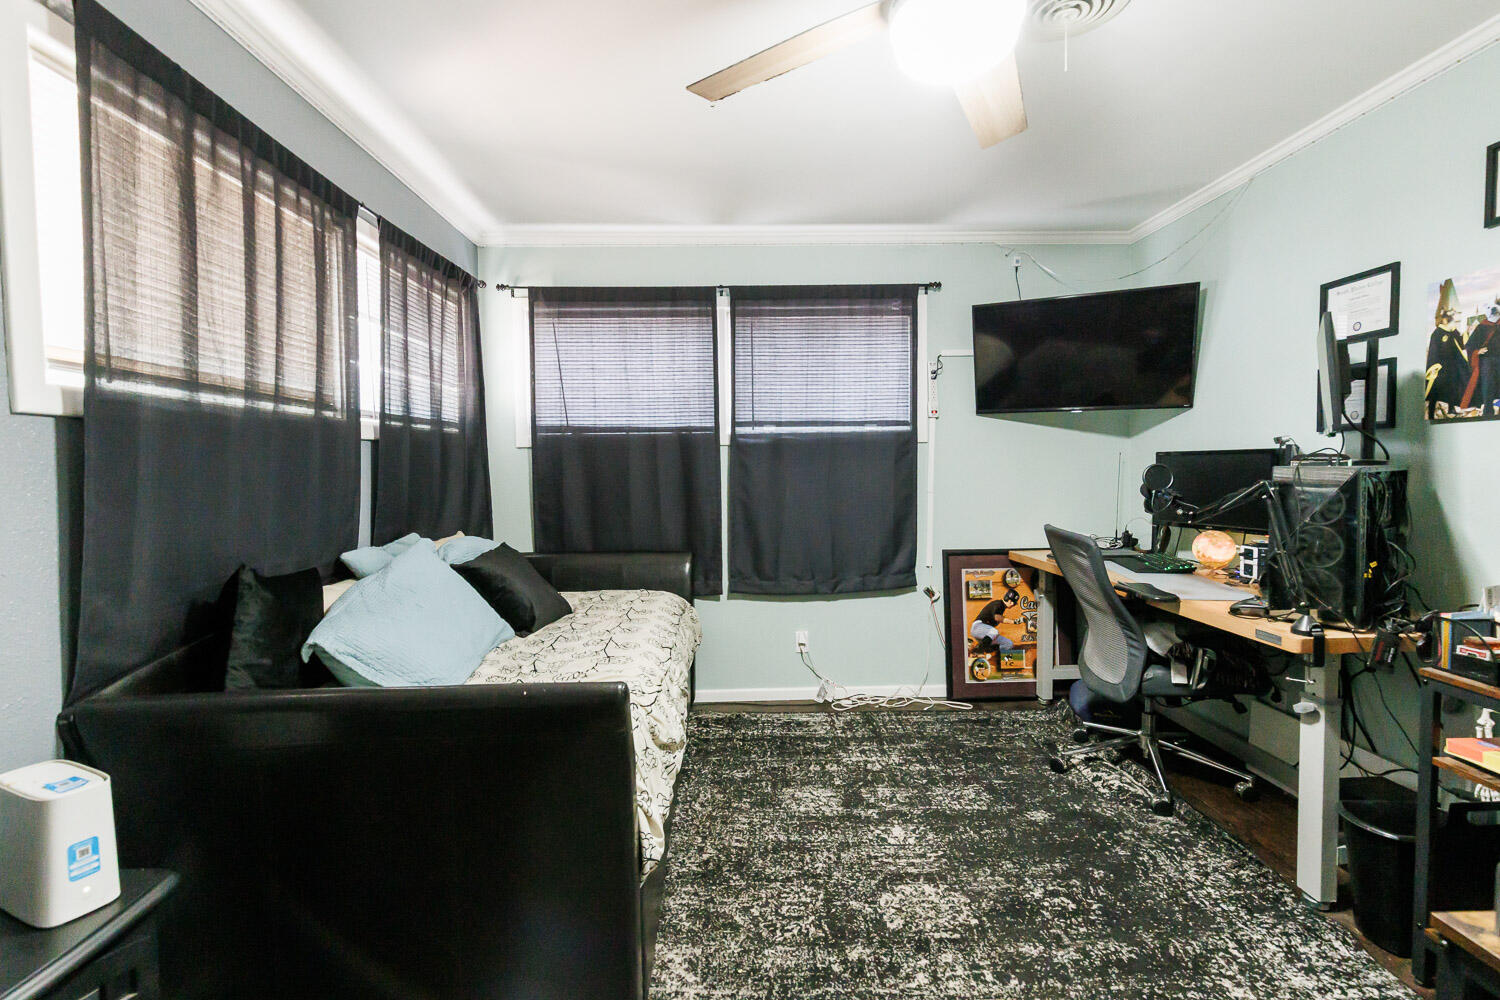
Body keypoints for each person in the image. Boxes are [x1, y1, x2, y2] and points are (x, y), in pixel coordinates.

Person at [1426, 279, 1474, 419]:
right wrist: (1434, 366)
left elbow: (1462, 344)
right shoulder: (1437, 333)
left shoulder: (1453, 332)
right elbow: (1434, 350)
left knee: (1453, 387)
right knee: (1436, 390)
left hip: (1453, 367)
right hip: (1440, 367)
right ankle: (1430, 412)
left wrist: (1467, 332)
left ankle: (1452, 408)